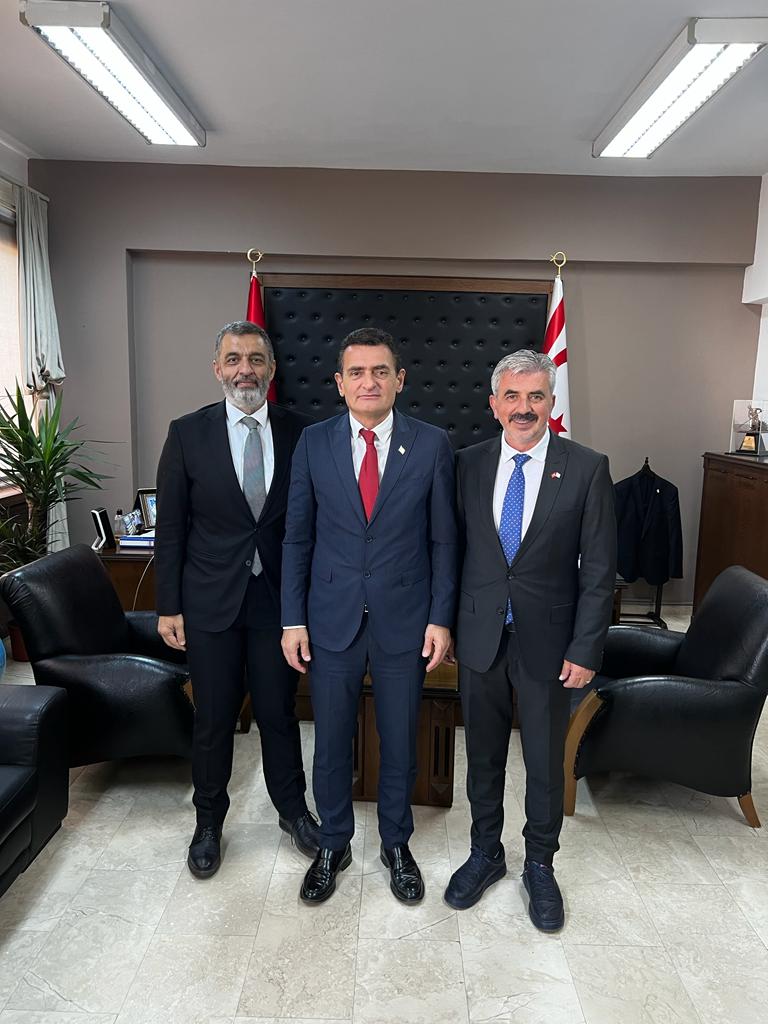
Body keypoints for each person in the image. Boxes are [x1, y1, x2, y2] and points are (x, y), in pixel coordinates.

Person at [281, 327, 457, 904]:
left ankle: (395, 844)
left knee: (399, 741)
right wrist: (292, 619)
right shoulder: (314, 443)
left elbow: (443, 541)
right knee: (330, 742)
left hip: (405, 620)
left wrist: (440, 618)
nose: (369, 382)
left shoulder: (432, 444)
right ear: (339, 383)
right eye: (356, 372)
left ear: (399, 380)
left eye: (380, 371)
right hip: (329, 619)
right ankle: (333, 844)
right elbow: (297, 537)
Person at [445, 349, 616, 931]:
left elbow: (599, 569)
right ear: (494, 404)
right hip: (479, 637)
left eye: (535, 396)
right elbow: (451, 552)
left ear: (551, 402)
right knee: (483, 755)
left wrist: (586, 647)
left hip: (552, 643)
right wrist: (446, 624)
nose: (524, 408)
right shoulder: (465, 464)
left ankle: (540, 864)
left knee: (544, 761)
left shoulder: (587, 467)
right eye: (512, 397)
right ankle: (485, 853)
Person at [155, 320, 320, 878]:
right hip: (209, 604)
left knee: (279, 714)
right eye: (233, 359)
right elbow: (171, 528)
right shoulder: (187, 433)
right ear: (217, 369)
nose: (244, 370)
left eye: (255, 359)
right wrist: (169, 605)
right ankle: (208, 822)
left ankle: (293, 812)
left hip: (278, 604)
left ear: (271, 368)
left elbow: (315, 522)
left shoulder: (304, 432)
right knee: (214, 718)